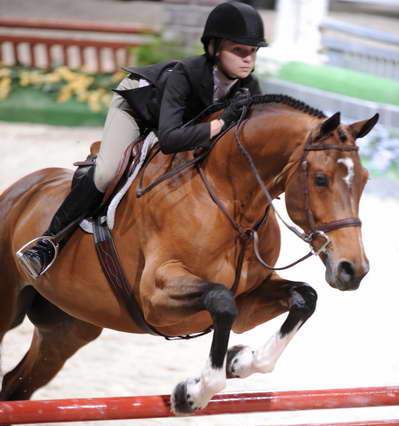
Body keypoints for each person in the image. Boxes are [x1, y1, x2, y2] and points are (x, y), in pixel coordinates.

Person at [17, 0, 267, 279]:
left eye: (253, 52)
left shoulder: (248, 86)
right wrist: (221, 124)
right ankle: (47, 243)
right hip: (138, 109)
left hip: (178, 122)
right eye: (239, 51)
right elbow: (170, 139)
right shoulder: (186, 74)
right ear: (214, 48)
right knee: (107, 172)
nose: (248, 59)